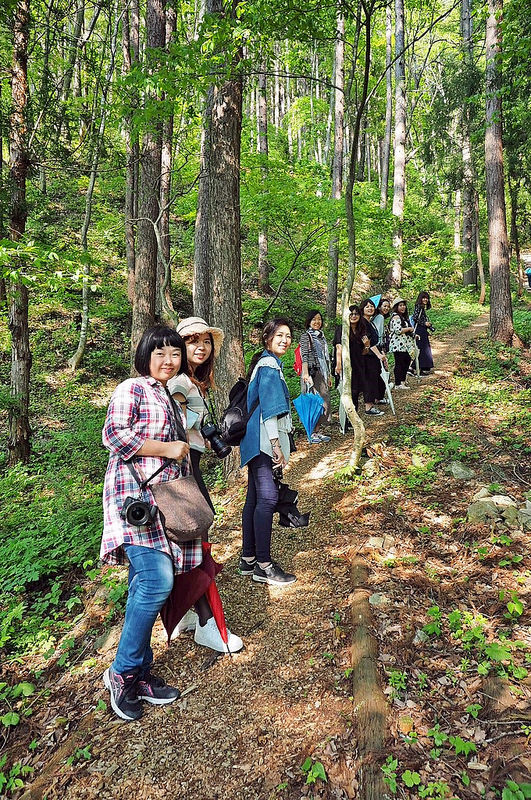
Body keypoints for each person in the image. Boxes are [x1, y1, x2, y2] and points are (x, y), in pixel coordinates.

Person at [101, 325, 242, 722]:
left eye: (174, 354)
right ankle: (122, 672)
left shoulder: (164, 392)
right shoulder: (133, 387)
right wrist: (168, 447)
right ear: (145, 355)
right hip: (133, 495)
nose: (169, 360)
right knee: (157, 579)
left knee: (144, 583)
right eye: (160, 353)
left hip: (164, 498)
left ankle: (141, 673)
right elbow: (113, 435)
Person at [239, 318, 297, 587]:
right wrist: (276, 446)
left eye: (288, 336)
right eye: (279, 335)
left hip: (253, 441)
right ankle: (263, 565)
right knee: (268, 498)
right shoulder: (270, 366)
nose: (285, 340)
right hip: (263, 441)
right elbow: (270, 411)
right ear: (267, 338)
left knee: (254, 498)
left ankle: (248, 557)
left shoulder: (264, 363)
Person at [168, 317, 224, 514]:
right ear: (181, 347)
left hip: (193, 457)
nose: (202, 347)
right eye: (194, 342)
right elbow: (175, 423)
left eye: (206, 342)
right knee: (201, 516)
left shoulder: (195, 382)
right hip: (184, 460)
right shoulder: (180, 381)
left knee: (202, 517)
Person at [333, 305, 370, 423]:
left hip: (358, 364)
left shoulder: (362, 329)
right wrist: (338, 365)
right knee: (348, 391)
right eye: (351, 314)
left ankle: (353, 417)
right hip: (345, 364)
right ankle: (345, 419)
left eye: (356, 314)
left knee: (356, 391)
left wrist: (367, 345)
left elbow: (365, 352)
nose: (354, 316)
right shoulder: (342, 328)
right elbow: (338, 347)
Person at [299, 309, 332, 443]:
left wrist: (328, 375)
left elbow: (326, 357)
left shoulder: (321, 336)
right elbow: (304, 355)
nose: (317, 322)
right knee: (314, 401)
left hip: (322, 372)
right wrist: (306, 373)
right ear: (309, 321)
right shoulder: (306, 336)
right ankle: (312, 432)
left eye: (319, 319)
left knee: (324, 401)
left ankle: (317, 430)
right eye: (314, 319)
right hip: (312, 372)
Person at [360, 298, 389, 416]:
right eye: (367, 306)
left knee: (374, 379)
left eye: (372, 306)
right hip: (367, 357)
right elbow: (368, 342)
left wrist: (381, 354)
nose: (370, 308)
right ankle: (368, 406)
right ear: (362, 309)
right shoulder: (363, 323)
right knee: (369, 380)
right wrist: (379, 354)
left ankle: (373, 402)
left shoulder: (369, 322)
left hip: (373, 356)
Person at [389, 298, 415, 389]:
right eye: (400, 305)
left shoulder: (402, 317)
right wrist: (409, 329)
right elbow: (398, 330)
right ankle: (398, 383)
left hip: (403, 344)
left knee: (406, 360)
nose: (403, 307)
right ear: (396, 307)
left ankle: (402, 382)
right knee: (400, 363)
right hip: (397, 344)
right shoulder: (396, 317)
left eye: (403, 305)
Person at [412, 291, 435, 374]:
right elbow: (415, 317)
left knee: (424, 349)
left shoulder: (422, 307)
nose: (425, 299)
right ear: (420, 299)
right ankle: (414, 367)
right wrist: (424, 323)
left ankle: (418, 368)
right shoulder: (419, 307)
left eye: (427, 298)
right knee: (422, 349)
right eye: (423, 298)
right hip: (419, 330)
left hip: (422, 330)